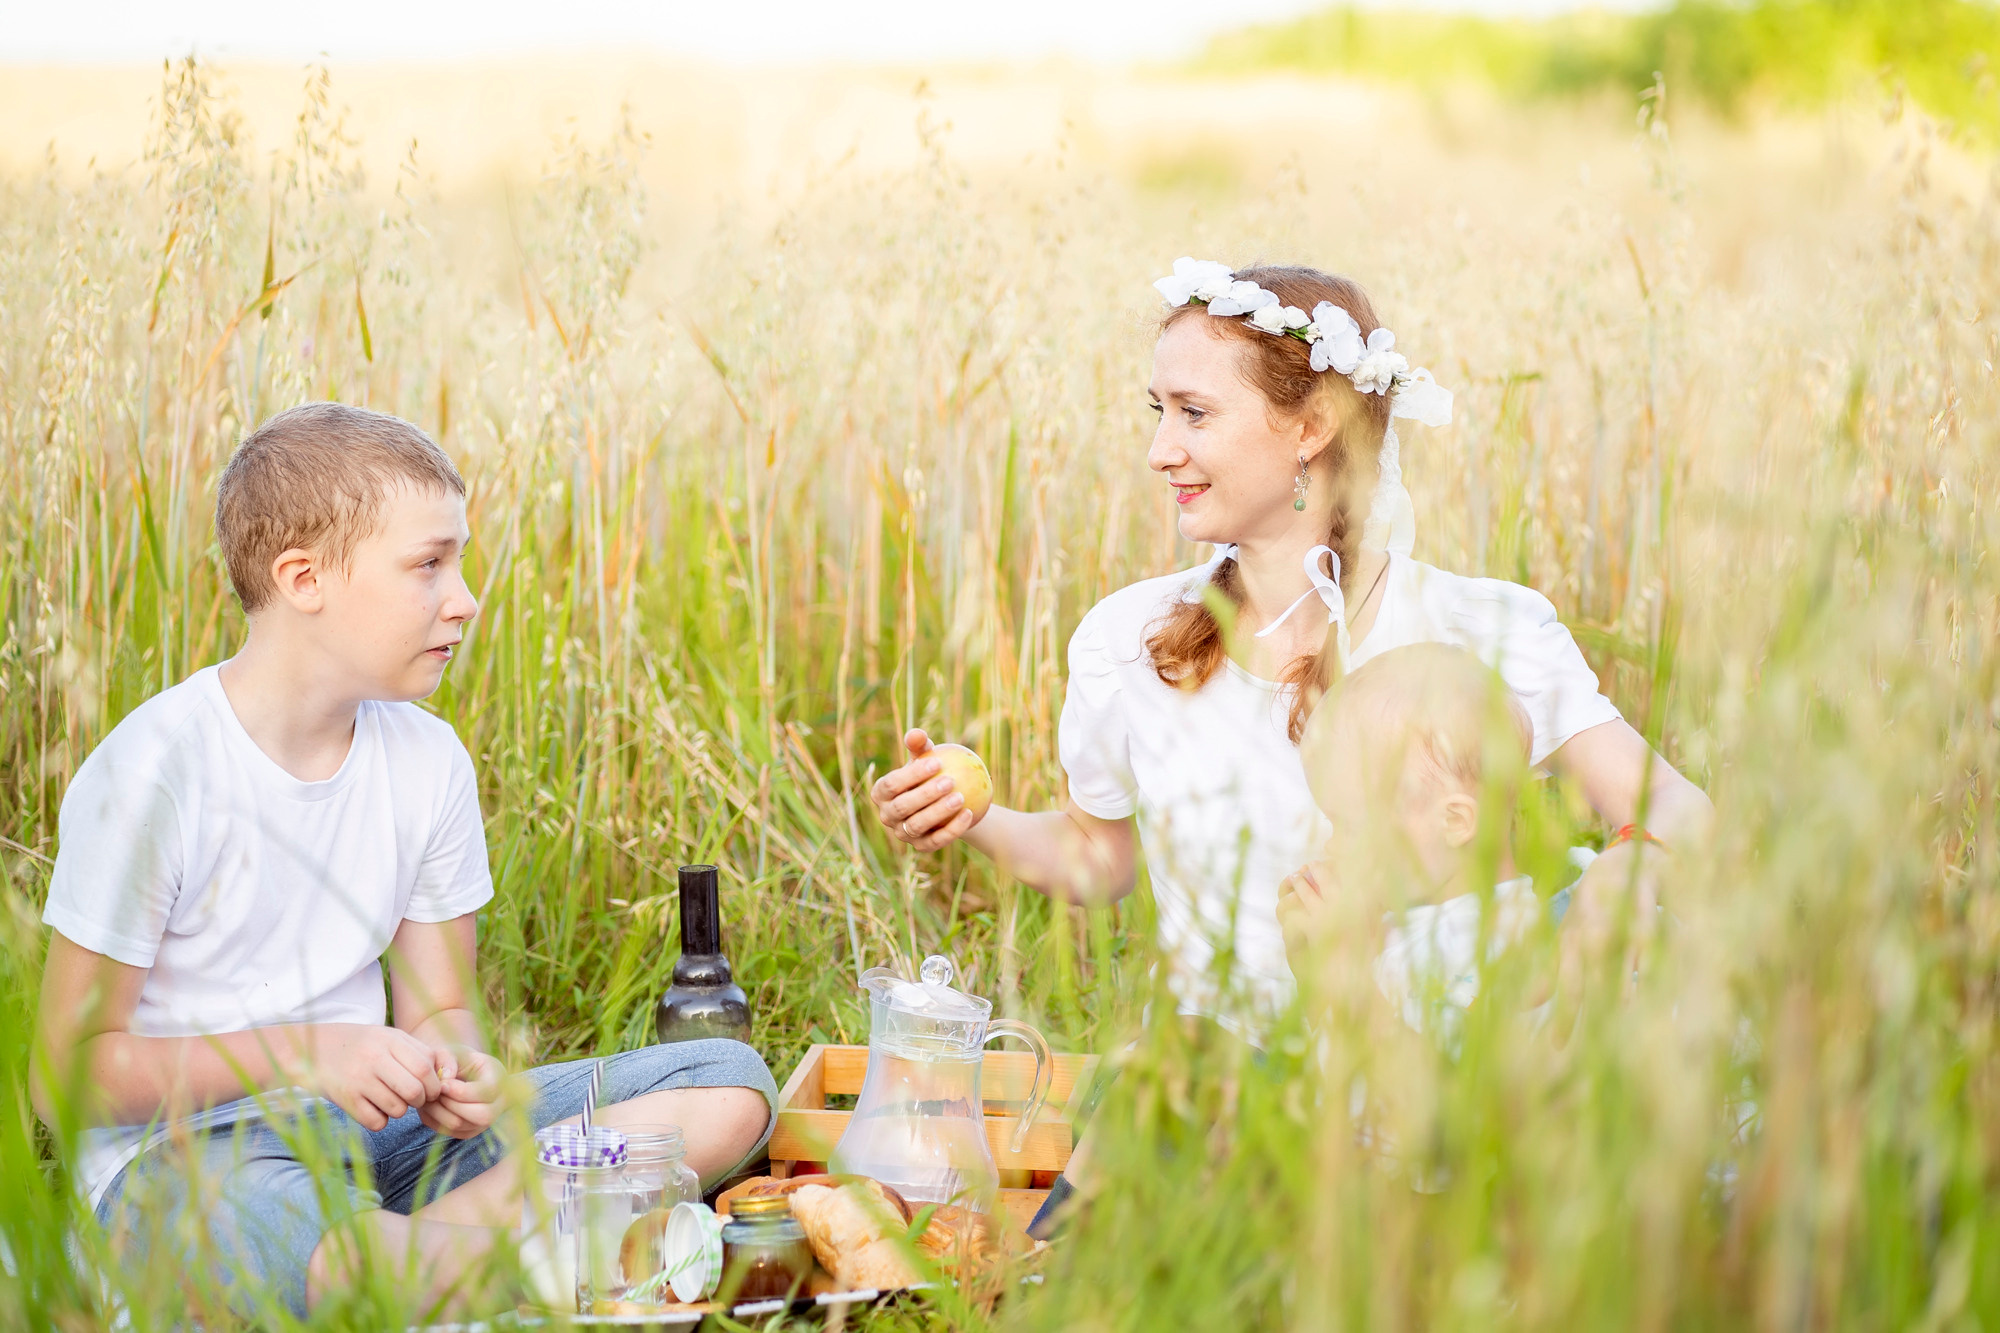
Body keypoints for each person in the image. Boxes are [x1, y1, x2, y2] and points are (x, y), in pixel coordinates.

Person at [868, 260, 1712, 1228]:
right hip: (1225, 1078)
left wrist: (1623, 879)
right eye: (1155, 410)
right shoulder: (1126, 638)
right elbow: (1097, 857)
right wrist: (975, 816)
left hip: (1436, 1083)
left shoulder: (1483, 628)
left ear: (1308, 427)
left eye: (1191, 413)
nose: (1156, 450)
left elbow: (1678, 820)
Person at [30, 403, 778, 1319]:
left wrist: (457, 1074)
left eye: (457, 562)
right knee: (254, 1215)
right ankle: (470, 1261)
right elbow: (64, 1073)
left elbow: (441, 1007)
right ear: (303, 578)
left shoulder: (428, 761)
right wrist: (302, 1053)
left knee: (724, 1087)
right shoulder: (156, 772)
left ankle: (416, 1264)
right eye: (428, 565)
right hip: (190, 1156)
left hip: (379, 1139)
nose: (464, 597)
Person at [1278, 642, 1548, 1045]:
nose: (1333, 848)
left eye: (1350, 826)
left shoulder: (1509, 945)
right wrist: (1313, 968)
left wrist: (1352, 979)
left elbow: (1448, 1097)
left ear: (1453, 822)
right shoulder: (1394, 920)